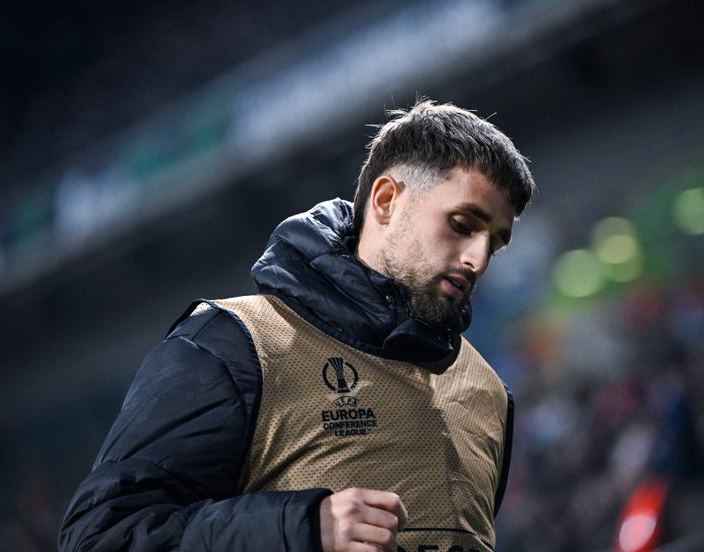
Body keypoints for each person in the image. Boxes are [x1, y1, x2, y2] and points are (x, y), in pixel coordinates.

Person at [59, 99, 535, 552]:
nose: (477, 259)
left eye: (494, 243)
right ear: (387, 200)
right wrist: (301, 529)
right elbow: (101, 536)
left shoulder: (487, 393)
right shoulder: (232, 346)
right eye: (461, 224)